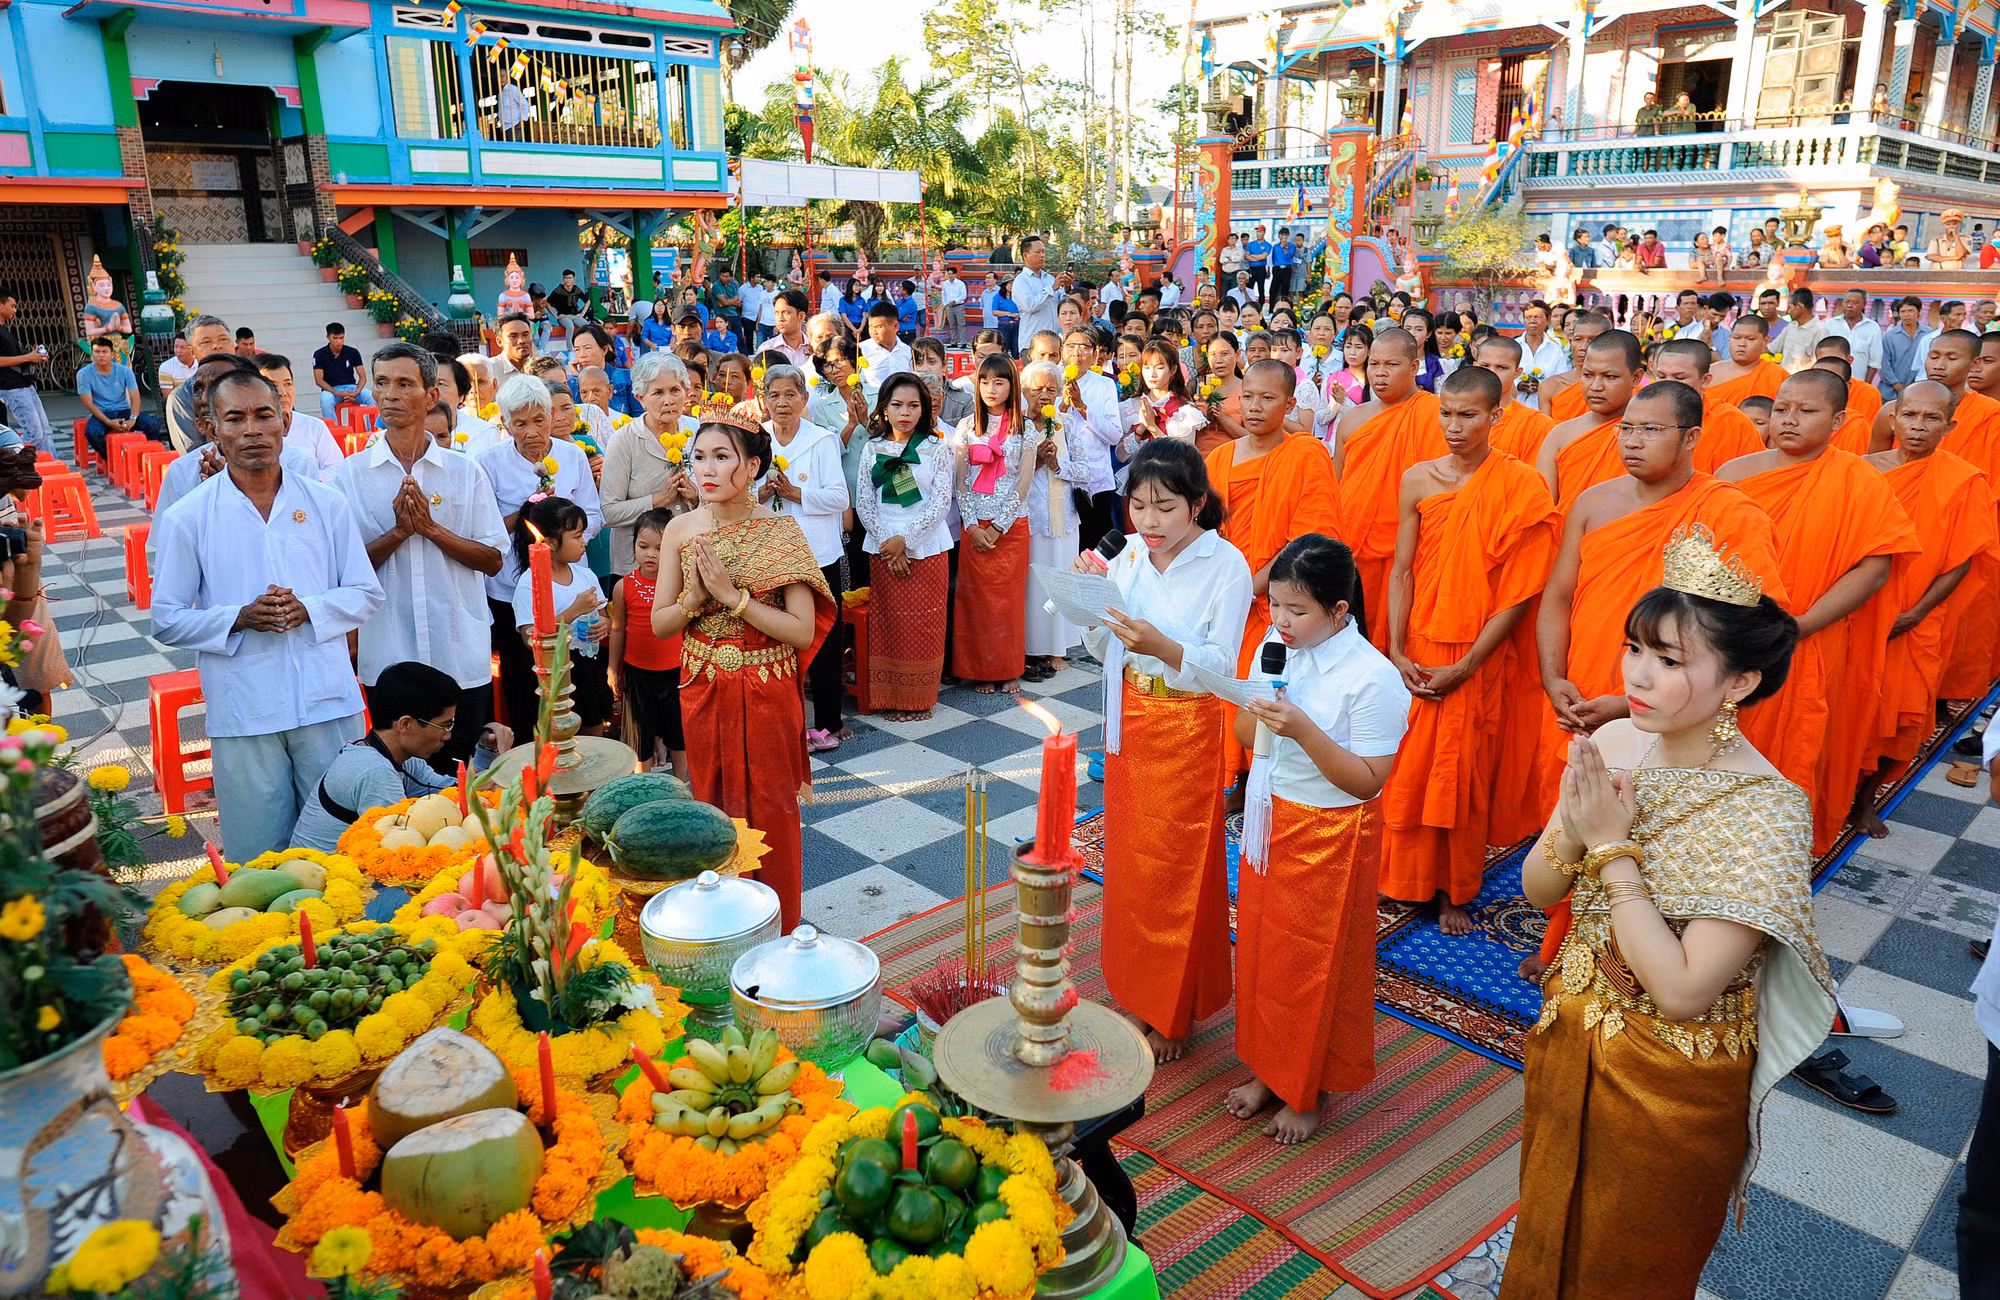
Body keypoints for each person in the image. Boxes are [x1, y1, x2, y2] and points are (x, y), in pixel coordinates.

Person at [1504, 542, 1836, 1298]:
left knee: (1627, 1268)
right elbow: (1538, 889)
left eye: (1669, 660)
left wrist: (1611, 847)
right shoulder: (1616, 740)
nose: (1638, 676)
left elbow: (1684, 990)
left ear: (1741, 681)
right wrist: (1574, 827)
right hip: (1570, 1032)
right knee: (1546, 1230)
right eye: (1633, 649)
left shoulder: (1766, 809)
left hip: (1671, 1078)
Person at [151, 369, 385, 860]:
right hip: (244, 709)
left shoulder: (326, 503)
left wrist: (310, 608)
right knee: (260, 857)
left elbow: (366, 593)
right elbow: (166, 618)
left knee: (346, 844)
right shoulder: (190, 515)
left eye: (263, 415)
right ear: (212, 429)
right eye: (235, 418)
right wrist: (239, 617)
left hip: (326, 701)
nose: (252, 430)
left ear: (284, 421)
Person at [1535, 379, 1788, 814]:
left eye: (1651, 430)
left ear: (1691, 437)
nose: (1632, 441)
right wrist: (1554, 678)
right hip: (1578, 696)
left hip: (1674, 707)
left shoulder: (1729, 514)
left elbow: (1744, 633)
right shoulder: (1592, 504)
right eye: (1626, 428)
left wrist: (1627, 703)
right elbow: (1558, 597)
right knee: (1567, 823)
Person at [1080, 439, 1252, 1063]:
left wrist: (1163, 647)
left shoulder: (1225, 565)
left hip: (1185, 726)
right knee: (1132, 863)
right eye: (1138, 506)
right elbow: (1105, 648)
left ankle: (1175, 1009)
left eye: (1164, 507)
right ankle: (1139, 989)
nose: (1148, 521)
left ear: (1197, 504)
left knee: (1177, 866)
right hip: (1130, 720)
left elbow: (1222, 667)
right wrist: (1089, 608)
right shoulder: (1127, 555)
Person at [1380, 367, 1558, 934]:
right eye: (1446, 413)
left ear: (1496, 415)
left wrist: (1467, 664)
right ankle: (1400, 878)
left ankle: (1451, 889)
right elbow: (1402, 570)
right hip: (1419, 641)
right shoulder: (1417, 479)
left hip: (1478, 650)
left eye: (1468, 415)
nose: (1453, 426)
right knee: (1409, 762)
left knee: (1462, 770)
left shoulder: (1521, 485)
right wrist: (1395, 648)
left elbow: (1518, 594)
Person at [1716, 369, 1918, 853]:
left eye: (1806, 411)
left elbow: (1875, 569)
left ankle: (1771, 852)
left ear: (1839, 421)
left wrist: (1801, 625)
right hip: (1728, 637)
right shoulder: (1734, 474)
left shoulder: (1858, 480)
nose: (1789, 420)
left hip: (1810, 635)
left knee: (1795, 741)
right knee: (1713, 742)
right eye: (1781, 409)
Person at [650, 412, 834, 929]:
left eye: (721, 457)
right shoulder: (680, 529)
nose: (706, 469)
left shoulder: (780, 531)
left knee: (772, 805)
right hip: (704, 683)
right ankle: (721, 930)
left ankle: (779, 926)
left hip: (766, 685)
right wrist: (693, 600)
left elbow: (801, 630)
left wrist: (734, 598)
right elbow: (662, 624)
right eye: (699, 457)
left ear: (752, 466)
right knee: (711, 800)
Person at [335, 342, 506, 772]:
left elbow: (493, 559)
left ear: (431, 395)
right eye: (381, 383)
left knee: (461, 773)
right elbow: (342, 569)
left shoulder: (464, 473)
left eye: (404, 384)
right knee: (396, 781)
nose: (390, 394)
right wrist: (399, 533)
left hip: (458, 650)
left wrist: (431, 530)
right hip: (389, 654)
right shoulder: (351, 475)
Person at [1848, 382, 1995, 831]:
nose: (1918, 426)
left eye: (1932, 419)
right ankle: (1828, 788)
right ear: (1893, 419)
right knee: (1846, 706)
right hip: (1855, 609)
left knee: (1897, 714)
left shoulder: (1963, 480)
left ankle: (1864, 800)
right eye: (1910, 415)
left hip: (1914, 618)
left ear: (1949, 426)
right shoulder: (1861, 470)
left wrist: (1916, 614)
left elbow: (1962, 559)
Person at [1205, 357, 1343, 754]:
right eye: (1247, 397)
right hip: (1223, 596)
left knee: (1265, 692)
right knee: (1220, 688)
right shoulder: (1219, 458)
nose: (1254, 406)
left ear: (1289, 404)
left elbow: (1308, 541)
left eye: (1267, 398)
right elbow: (1201, 531)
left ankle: (1258, 773)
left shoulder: (1305, 454)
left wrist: (1250, 587)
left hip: (1276, 602)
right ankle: (1229, 772)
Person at [475, 375, 604, 734]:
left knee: (578, 677)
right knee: (525, 682)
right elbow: (485, 530)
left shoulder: (572, 455)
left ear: (552, 417)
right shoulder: (488, 462)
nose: (531, 432)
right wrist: (529, 509)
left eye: (539, 420)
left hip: (568, 583)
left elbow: (594, 515)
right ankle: (532, 752)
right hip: (512, 588)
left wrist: (565, 530)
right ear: (505, 424)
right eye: (520, 424)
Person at [289, 661, 490, 851]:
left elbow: (454, 791)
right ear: (405, 725)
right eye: (445, 725)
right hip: (323, 872)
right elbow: (402, 847)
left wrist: (486, 749)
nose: (448, 736)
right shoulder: (376, 773)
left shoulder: (400, 757)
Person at [1331, 328, 1445, 648]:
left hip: (1407, 550)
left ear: (1414, 367)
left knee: (1399, 637)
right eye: (1375, 364)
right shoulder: (1353, 419)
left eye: (1392, 364)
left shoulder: (1435, 414)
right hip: (1350, 547)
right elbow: (1335, 485)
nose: (1380, 373)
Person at [757, 365, 849, 748]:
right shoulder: (757, 439)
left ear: (804, 399)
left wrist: (796, 493)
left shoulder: (822, 440)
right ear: (763, 400)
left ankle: (829, 721)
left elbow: (840, 497)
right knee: (776, 638)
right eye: (774, 395)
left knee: (825, 636)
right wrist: (763, 493)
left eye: (790, 395)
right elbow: (741, 493)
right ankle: (784, 722)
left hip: (818, 553)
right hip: (772, 553)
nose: (782, 403)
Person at [855, 373, 956, 721]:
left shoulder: (936, 448)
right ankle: (890, 695)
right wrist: (889, 544)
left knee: (925, 623)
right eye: (897, 405)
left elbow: (940, 502)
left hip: (926, 547)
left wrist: (906, 541)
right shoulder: (872, 449)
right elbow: (864, 501)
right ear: (884, 408)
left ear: (923, 409)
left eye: (913, 405)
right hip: (883, 547)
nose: (905, 413)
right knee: (888, 622)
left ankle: (920, 699)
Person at [946, 354, 1039, 695]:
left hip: (1011, 526)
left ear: (1012, 386)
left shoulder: (1025, 428)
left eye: (999, 382)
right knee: (975, 601)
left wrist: (999, 526)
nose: (991, 389)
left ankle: (1009, 668)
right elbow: (960, 481)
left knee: (1009, 601)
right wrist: (972, 526)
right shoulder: (966, 427)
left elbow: (1023, 482)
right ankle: (980, 669)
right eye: (984, 381)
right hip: (974, 524)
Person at [509, 494, 612, 733]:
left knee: (594, 729)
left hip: (588, 664)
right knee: (560, 733)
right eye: (577, 536)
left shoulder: (585, 575)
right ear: (552, 542)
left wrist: (604, 625)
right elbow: (531, 637)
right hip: (555, 672)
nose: (584, 542)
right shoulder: (530, 584)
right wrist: (574, 611)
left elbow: (604, 616)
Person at [1019, 359, 1094, 680]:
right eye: (1037, 388)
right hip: (1027, 520)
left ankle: (1056, 650)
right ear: (1024, 391)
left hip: (1063, 519)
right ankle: (1028, 648)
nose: (1044, 395)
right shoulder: (1016, 426)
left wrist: (1056, 464)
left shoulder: (1067, 424)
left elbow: (1086, 470)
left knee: (1060, 582)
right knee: (1031, 585)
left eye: (1051, 389)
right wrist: (1035, 462)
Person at [608, 507, 688, 777]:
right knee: (640, 734)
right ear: (633, 545)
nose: (650, 554)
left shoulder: (681, 585)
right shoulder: (623, 586)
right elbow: (617, 630)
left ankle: (681, 785)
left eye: (660, 548)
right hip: (638, 673)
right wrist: (612, 668)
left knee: (678, 733)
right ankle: (643, 784)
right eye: (643, 546)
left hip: (676, 671)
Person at [1537, 331, 1643, 510]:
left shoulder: (1651, 434)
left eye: (1610, 377)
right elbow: (1543, 508)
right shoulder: (1560, 436)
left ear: (1636, 378)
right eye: (1588, 375)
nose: (1595, 387)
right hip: (1568, 528)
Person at [1647, 339, 1765, 473]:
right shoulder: (1643, 417)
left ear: (1705, 380)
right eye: (1661, 376)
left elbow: (1754, 476)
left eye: (1679, 378)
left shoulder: (1731, 422)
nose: (1668, 385)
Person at [252, 352, 344, 480]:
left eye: (288, 384)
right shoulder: (250, 432)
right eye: (272, 385)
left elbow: (337, 469)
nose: (283, 393)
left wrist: (304, 479)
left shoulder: (314, 426)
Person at [1473, 334, 1557, 463]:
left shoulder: (1537, 424)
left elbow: (1535, 473)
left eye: (1502, 367)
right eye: (1485, 366)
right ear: (1475, 366)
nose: (1492, 373)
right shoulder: (1454, 416)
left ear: (1517, 372)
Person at [76, 336, 163, 457]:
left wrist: (132, 419)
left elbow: (135, 396)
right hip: (101, 414)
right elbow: (88, 404)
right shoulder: (84, 374)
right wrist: (109, 422)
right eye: (97, 352)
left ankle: (144, 455)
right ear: (92, 354)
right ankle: (113, 459)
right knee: (92, 433)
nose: (101, 355)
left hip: (123, 410)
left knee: (153, 423)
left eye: (105, 352)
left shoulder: (125, 371)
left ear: (112, 354)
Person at [0, 290, 55, 456]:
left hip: (25, 385)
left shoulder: (5, 330)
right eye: (12, 306)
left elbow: (15, 359)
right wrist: (28, 357)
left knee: (45, 431)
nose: (15, 310)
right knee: (34, 434)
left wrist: (33, 357)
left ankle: (51, 465)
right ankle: (10, 455)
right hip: (11, 388)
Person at [1708, 313, 1788, 405]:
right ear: (1730, 338)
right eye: (1736, 338)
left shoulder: (1777, 376)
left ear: (1766, 341)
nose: (1742, 344)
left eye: (1750, 339)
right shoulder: (1710, 372)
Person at [311, 323, 373, 421]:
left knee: (371, 397)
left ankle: (373, 428)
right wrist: (336, 392)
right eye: (335, 338)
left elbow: (363, 377)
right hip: (331, 390)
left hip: (351, 388)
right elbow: (319, 380)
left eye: (341, 338)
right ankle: (334, 429)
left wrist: (356, 392)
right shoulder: (319, 354)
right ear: (328, 337)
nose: (338, 341)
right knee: (325, 401)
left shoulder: (353, 352)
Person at [1014, 236, 1066, 342]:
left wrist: (1067, 287)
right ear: (1025, 255)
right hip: (1032, 342)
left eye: (1043, 252)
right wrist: (1052, 289)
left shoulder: (1050, 278)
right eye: (1038, 252)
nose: (1042, 255)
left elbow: (1063, 303)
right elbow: (1029, 306)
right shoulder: (1021, 281)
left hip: (1054, 340)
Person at [754, 288, 812, 370]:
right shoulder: (767, 349)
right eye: (776, 313)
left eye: (786, 312)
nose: (780, 318)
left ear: (801, 316)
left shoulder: (814, 348)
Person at [1777, 290, 1828, 373]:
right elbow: (1773, 348)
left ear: (1799, 307)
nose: (1788, 312)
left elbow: (1819, 363)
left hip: (1803, 378)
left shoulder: (1820, 331)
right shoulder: (1791, 326)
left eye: (1790, 307)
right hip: (1783, 377)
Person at [860, 300, 913, 379]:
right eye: (870, 327)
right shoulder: (861, 350)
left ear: (895, 326)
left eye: (879, 327)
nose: (873, 332)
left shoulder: (907, 351)